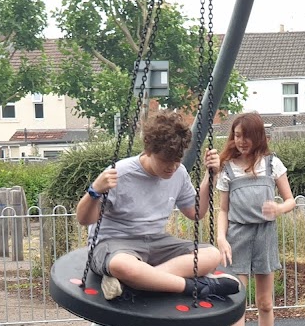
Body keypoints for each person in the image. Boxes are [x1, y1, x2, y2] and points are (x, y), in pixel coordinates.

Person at [75, 111, 240, 302]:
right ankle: (194, 286)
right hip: (114, 244)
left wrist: (210, 175)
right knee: (123, 266)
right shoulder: (120, 173)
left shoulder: (179, 173)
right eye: (164, 161)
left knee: (211, 255)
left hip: (155, 242)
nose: (171, 167)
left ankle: (138, 283)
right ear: (148, 151)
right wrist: (94, 190)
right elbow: (84, 219)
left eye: (177, 161)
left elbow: (196, 213)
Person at [208, 112, 295, 326]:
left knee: (265, 302)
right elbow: (223, 209)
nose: (241, 141)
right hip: (237, 236)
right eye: (236, 135)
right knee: (237, 302)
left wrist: (278, 208)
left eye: (246, 136)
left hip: (265, 235)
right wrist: (221, 238)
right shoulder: (227, 168)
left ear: (257, 136)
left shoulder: (271, 164)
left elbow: (290, 200)